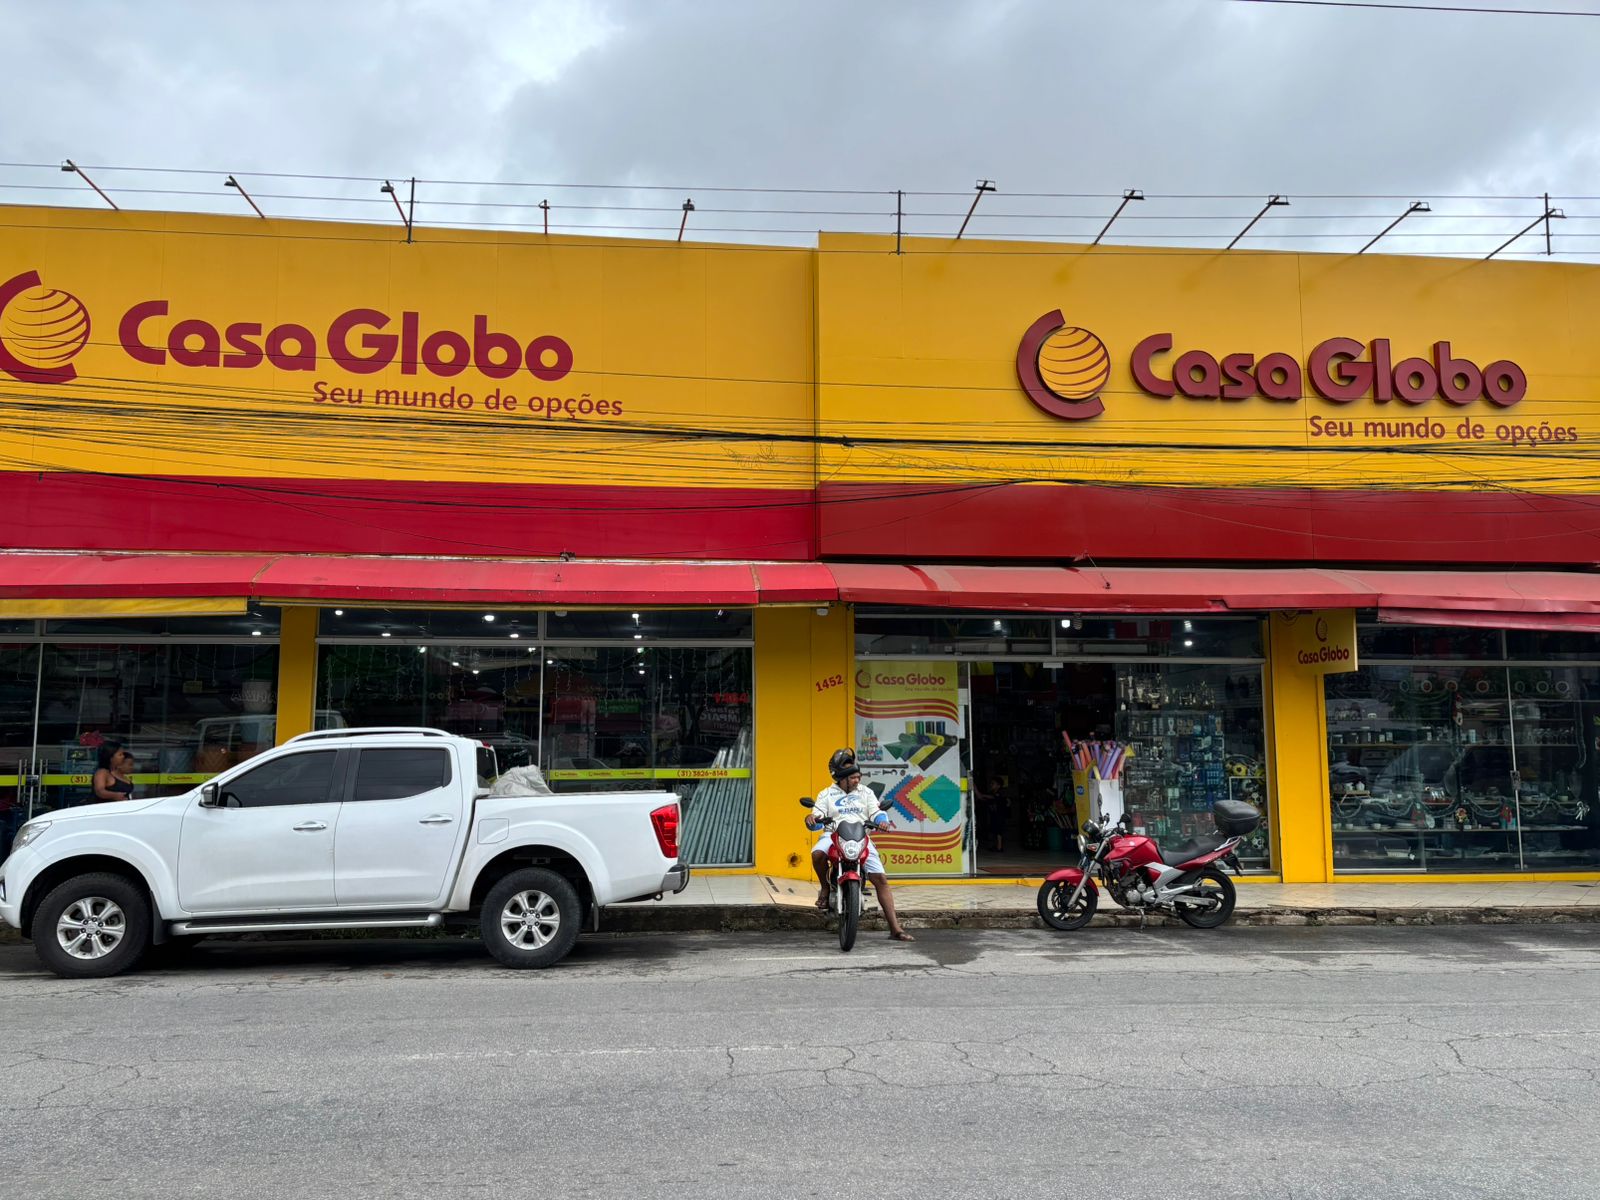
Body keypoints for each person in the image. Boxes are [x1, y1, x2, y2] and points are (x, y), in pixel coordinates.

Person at [807, 748, 914, 942]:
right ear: (841, 778)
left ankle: (895, 929)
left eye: (858, 776)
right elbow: (817, 814)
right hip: (833, 835)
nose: (857, 780)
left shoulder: (866, 792)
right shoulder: (827, 794)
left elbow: (876, 811)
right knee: (817, 855)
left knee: (881, 879)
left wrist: (882, 820)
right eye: (853, 777)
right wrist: (812, 819)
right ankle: (824, 887)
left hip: (861, 838)